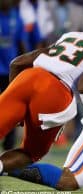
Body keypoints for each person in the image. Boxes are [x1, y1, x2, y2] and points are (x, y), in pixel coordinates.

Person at [0, 8, 83, 175]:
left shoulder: (72, 36)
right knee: (31, 152)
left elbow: (17, 64)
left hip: (26, 79)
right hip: (55, 92)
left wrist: (14, 100)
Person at [0, 0, 27, 150]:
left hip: (10, 69)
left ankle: (9, 143)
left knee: (10, 106)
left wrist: (27, 64)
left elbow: (21, 42)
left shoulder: (16, 17)